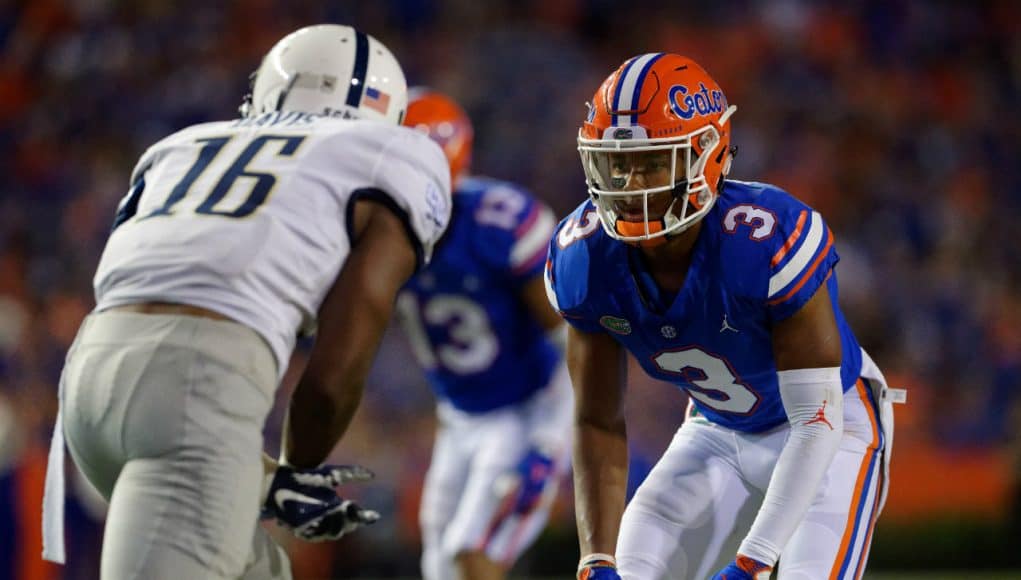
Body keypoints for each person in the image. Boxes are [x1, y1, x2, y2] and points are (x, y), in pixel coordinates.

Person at [41, 24, 452, 579]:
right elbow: (338, 365)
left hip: (89, 380)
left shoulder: (181, 145)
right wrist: (297, 469)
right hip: (195, 388)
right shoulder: (392, 153)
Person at [546, 54, 902, 580]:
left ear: (704, 156)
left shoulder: (766, 237)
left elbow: (816, 421)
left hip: (832, 427)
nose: (627, 183)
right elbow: (597, 420)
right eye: (616, 164)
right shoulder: (583, 258)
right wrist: (595, 558)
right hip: (716, 430)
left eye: (649, 162)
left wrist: (753, 561)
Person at [398, 89, 573, 580]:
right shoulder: (383, 233)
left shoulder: (499, 223)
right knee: (439, 564)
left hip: (523, 412)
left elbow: (578, 343)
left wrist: (549, 439)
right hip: (457, 417)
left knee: (471, 556)